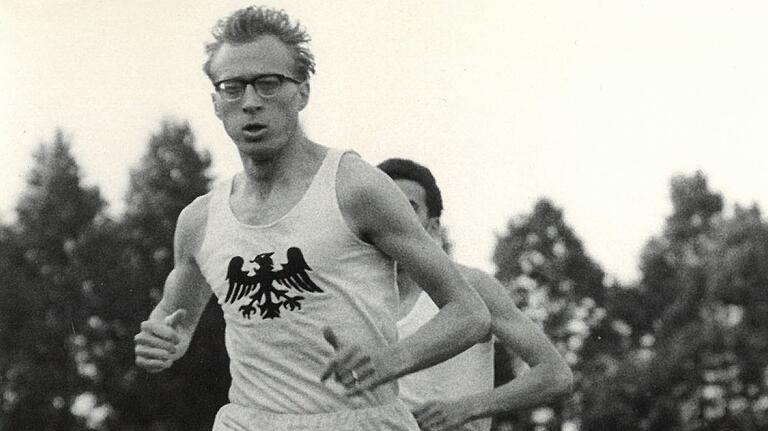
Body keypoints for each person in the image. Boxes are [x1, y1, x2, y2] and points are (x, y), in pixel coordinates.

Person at [133, 6, 490, 431]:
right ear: (215, 102)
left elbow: (470, 313)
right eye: (232, 87)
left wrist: (391, 361)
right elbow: (176, 319)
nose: (250, 102)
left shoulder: (355, 187)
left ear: (302, 92)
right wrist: (162, 341)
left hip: (359, 421)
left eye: (268, 84)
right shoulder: (199, 220)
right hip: (248, 421)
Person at [378, 158, 574, 431]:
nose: (395, 217)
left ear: (433, 228)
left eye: (408, 208)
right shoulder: (357, 296)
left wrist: (466, 408)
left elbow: (555, 374)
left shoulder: (470, 286)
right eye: (385, 206)